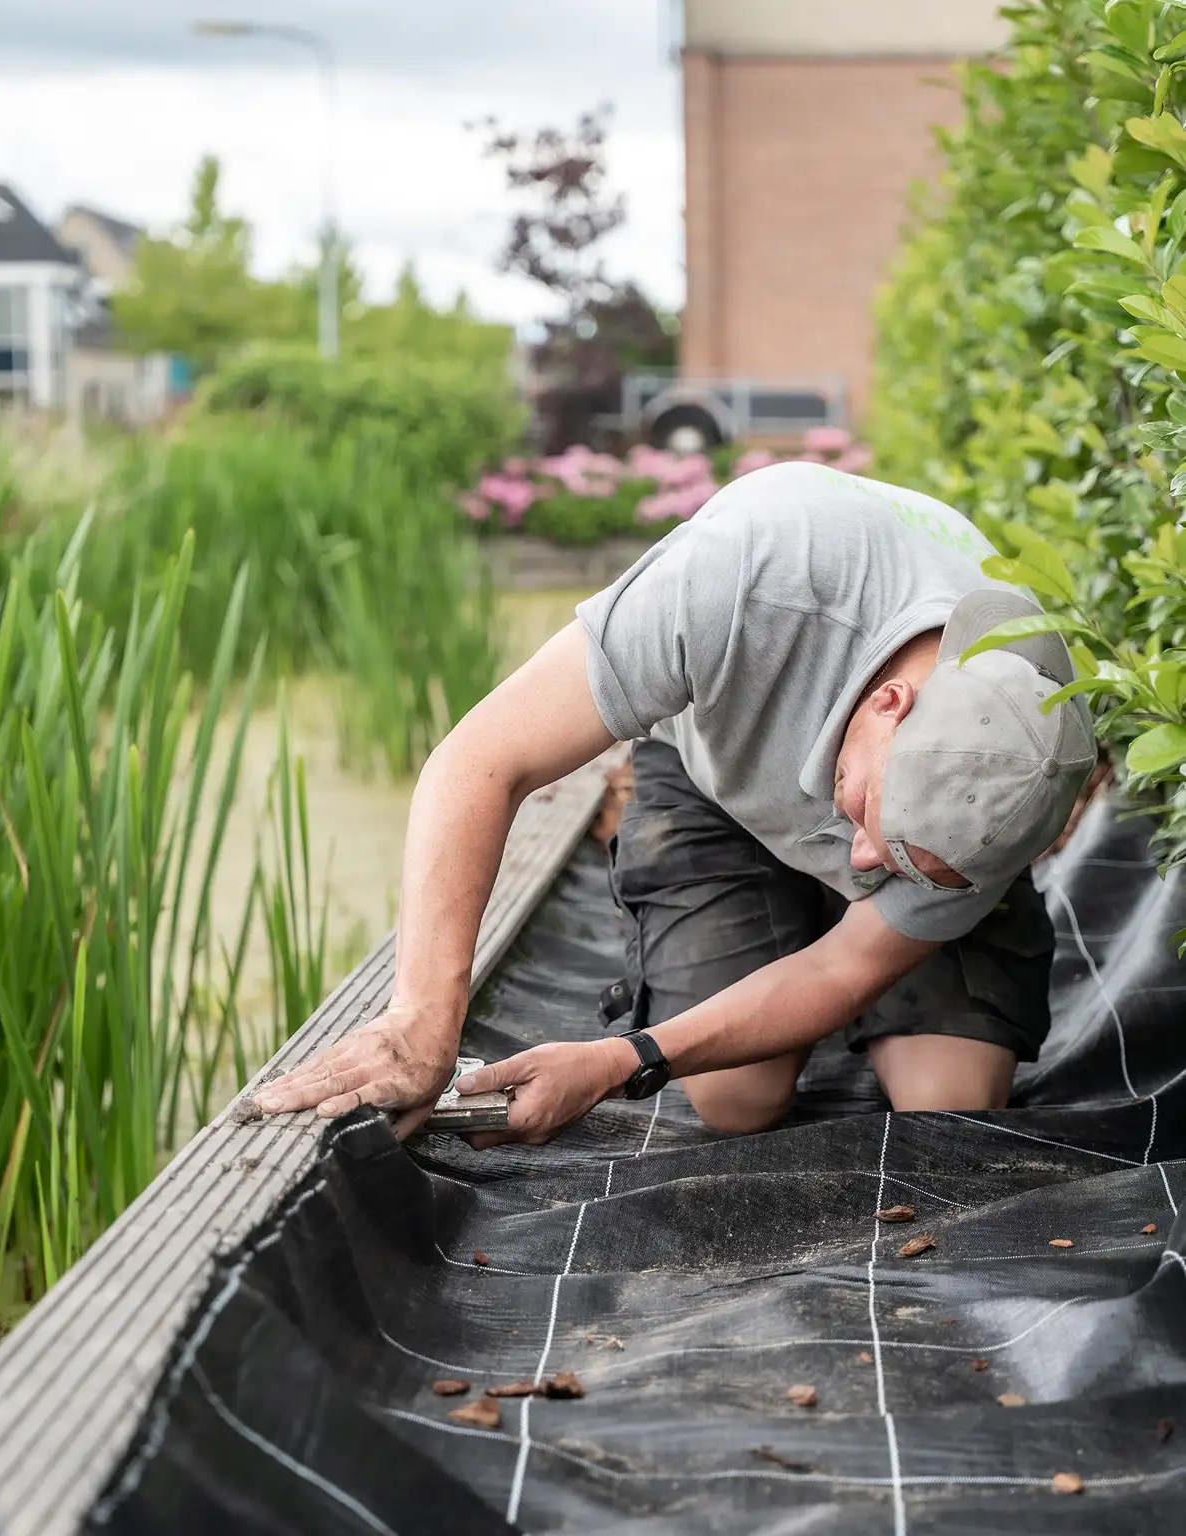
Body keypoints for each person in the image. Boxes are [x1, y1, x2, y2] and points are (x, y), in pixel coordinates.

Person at [256, 463, 1097, 1143]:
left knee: (951, 1111)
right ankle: (762, 910)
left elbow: (844, 968)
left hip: (917, 807)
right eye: (877, 826)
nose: (864, 866)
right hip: (713, 781)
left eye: (907, 860)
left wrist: (620, 1061)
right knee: (736, 1098)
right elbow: (480, 759)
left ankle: (852, 924)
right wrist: (423, 1020)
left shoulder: (1020, 755)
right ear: (888, 704)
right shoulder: (746, 576)